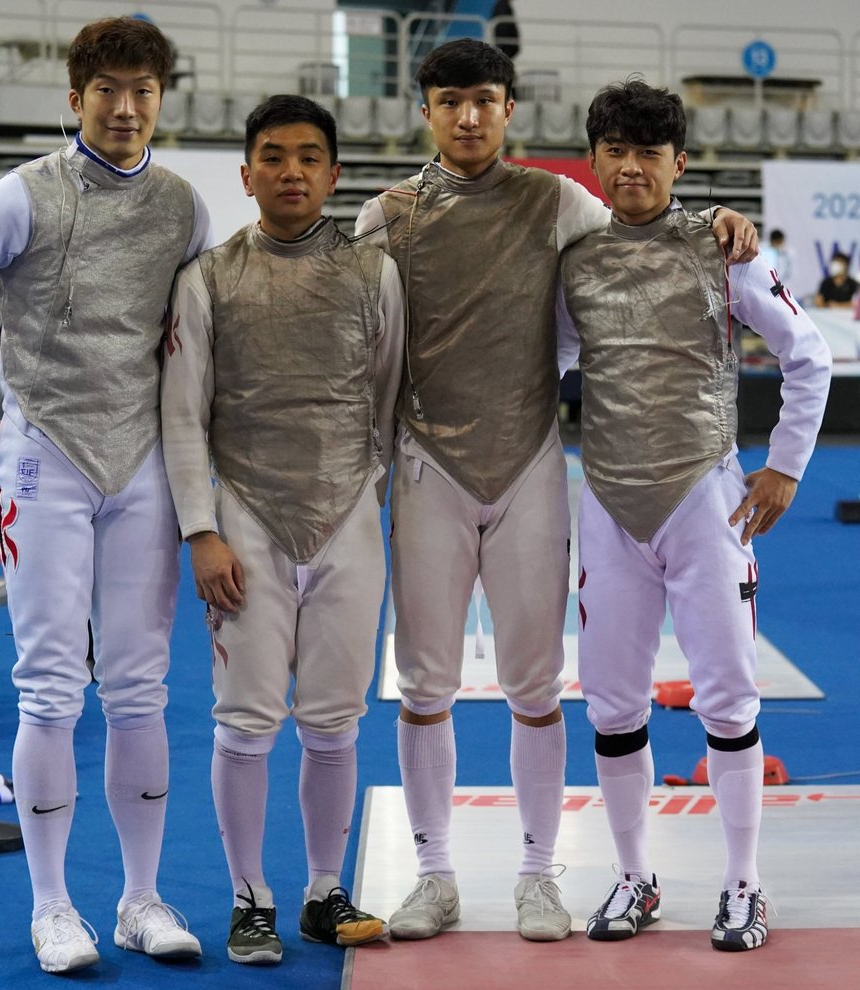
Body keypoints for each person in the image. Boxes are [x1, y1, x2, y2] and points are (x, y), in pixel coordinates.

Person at [353, 37, 758, 943]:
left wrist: (721, 218)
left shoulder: (559, 199)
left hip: (535, 464)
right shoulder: (387, 217)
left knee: (536, 684)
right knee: (424, 684)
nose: (468, 117)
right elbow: (365, 361)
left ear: (508, 109)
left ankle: (540, 874)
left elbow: (642, 231)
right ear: (425, 109)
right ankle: (434, 874)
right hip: (427, 470)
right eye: (450, 100)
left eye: (485, 101)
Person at [0, 16, 212, 975]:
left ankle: (142, 900)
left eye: (142, 88)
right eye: (105, 88)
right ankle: (53, 907)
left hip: (142, 464)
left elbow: (198, 346)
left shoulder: (185, 207)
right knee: (53, 690)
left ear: (160, 99)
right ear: (75, 99)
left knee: (142, 691)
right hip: (43, 462)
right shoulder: (18, 198)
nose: (124, 105)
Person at [556, 78, 831, 952]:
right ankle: (636, 876)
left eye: (650, 153)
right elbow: (539, 367)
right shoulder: (578, 261)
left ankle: (745, 883)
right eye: (615, 151)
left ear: (680, 162)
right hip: (607, 503)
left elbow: (808, 353)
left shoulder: (725, 252)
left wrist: (784, 469)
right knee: (609, 705)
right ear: (594, 160)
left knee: (727, 695)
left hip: (706, 501)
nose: (631, 167)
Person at [161, 94, 404, 966]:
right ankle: (248, 896)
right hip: (246, 523)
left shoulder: (373, 272)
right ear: (247, 174)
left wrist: (366, 494)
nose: (291, 171)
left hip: (348, 519)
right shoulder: (209, 278)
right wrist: (201, 530)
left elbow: (385, 395)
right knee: (248, 721)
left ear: (333, 174)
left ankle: (321, 892)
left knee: (336, 721)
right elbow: (183, 417)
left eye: (309, 157)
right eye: (274, 156)